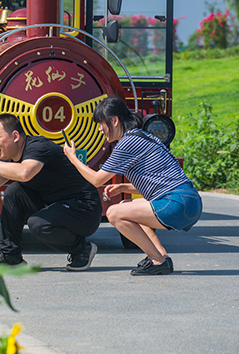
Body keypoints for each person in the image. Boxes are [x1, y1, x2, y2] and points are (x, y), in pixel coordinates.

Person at [63, 96, 203, 276]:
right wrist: (123, 187)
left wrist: (72, 158)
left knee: (114, 213)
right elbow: (160, 183)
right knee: (126, 207)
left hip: (176, 203)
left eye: (101, 123)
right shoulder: (144, 136)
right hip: (189, 201)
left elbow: (97, 179)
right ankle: (160, 257)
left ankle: (157, 259)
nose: (99, 129)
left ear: (114, 120)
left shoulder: (127, 143)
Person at [0, 114, 102, 269]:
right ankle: (10, 256)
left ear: (15, 136)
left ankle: (82, 250)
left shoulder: (38, 146)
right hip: (56, 205)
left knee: (38, 224)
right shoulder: (11, 156)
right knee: (14, 193)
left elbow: (25, 173)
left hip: (84, 209)